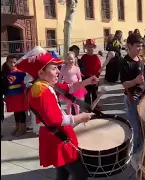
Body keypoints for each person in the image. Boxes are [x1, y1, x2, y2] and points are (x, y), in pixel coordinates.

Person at [16, 46, 99, 180]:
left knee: (63, 172)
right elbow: (55, 120)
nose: (57, 72)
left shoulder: (45, 85)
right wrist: (80, 117)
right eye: (54, 68)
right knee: (80, 174)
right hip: (57, 138)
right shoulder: (41, 90)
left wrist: (88, 81)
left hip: (55, 136)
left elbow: (69, 88)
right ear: (41, 72)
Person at [119, 34, 145, 171]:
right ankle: (135, 161)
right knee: (136, 130)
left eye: (141, 45)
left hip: (144, 98)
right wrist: (135, 82)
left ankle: (143, 155)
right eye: (137, 46)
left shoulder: (141, 60)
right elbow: (124, 84)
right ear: (129, 46)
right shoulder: (124, 62)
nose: (140, 48)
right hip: (132, 99)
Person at [2, 55, 29, 137]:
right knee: (15, 111)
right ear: (7, 63)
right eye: (10, 62)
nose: (12, 64)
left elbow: (25, 84)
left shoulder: (21, 73)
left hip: (20, 94)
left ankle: (22, 128)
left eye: (14, 62)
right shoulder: (5, 73)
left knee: (21, 111)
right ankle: (17, 127)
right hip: (10, 95)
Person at [78, 39, 102, 105]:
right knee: (87, 94)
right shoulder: (83, 57)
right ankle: (87, 107)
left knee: (95, 94)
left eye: (91, 46)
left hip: (95, 78)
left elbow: (99, 68)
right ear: (86, 47)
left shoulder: (96, 58)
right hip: (86, 79)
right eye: (88, 46)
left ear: (94, 47)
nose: (90, 48)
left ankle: (95, 107)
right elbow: (82, 69)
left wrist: (96, 77)